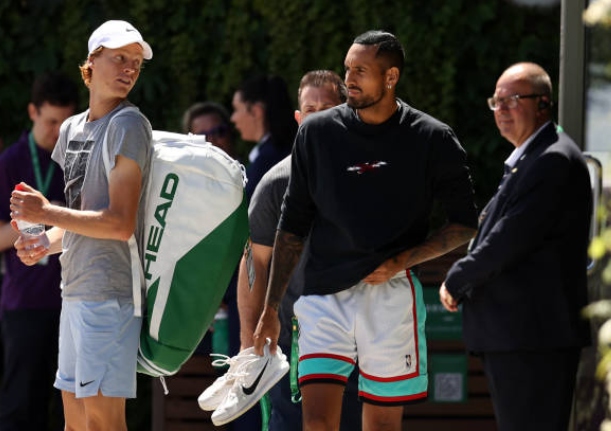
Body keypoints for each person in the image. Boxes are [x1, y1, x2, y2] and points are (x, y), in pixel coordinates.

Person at [253, 30, 478, 431]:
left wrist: (402, 260)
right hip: (322, 295)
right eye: (347, 69)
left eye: (360, 70)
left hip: (390, 295)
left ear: (391, 77)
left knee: (382, 426)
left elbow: (464, 223)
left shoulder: (432, 137)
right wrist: (270, 310)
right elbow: (291, 226)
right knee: (316, 422)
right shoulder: (316, 133)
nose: (349, 79)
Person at [10, 20, 153, 431]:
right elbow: (81, 220)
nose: (129, 68)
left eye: (135, 62)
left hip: (109, 296)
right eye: (119, 58)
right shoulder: (71, 128)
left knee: (103, 425)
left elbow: (119, 224)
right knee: (75, 424)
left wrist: (45, 213)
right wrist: (44, 242)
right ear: (92, 61)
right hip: (74, 292)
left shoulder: (129, 125)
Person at [439, 62, 592, 431]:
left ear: (543, 104)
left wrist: (458, 278)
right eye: (497, 101)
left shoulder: (552, 159)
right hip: (521, 337)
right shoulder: (532, 157)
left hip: (532, 338)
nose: (501, 109)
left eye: (512, 100)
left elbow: (509, 238)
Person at [235, 70, 361, 430]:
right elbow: (254, 262)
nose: (318, 118)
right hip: (293, 345)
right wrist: (249, 346)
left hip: (363, 343)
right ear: (298, 118)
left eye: (328, 108)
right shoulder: (277, 183)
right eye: (310, 110)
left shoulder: (372, 178)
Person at [0, 71, 78, 431]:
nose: (57, 131)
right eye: (50, 121)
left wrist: (54, 219)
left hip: (73, 300)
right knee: (20, 406)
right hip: (25, 303)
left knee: (73, 407)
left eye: (65, 122)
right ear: (33, 112)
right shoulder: (10, 161)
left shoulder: (76, 160)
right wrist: (45, 221)